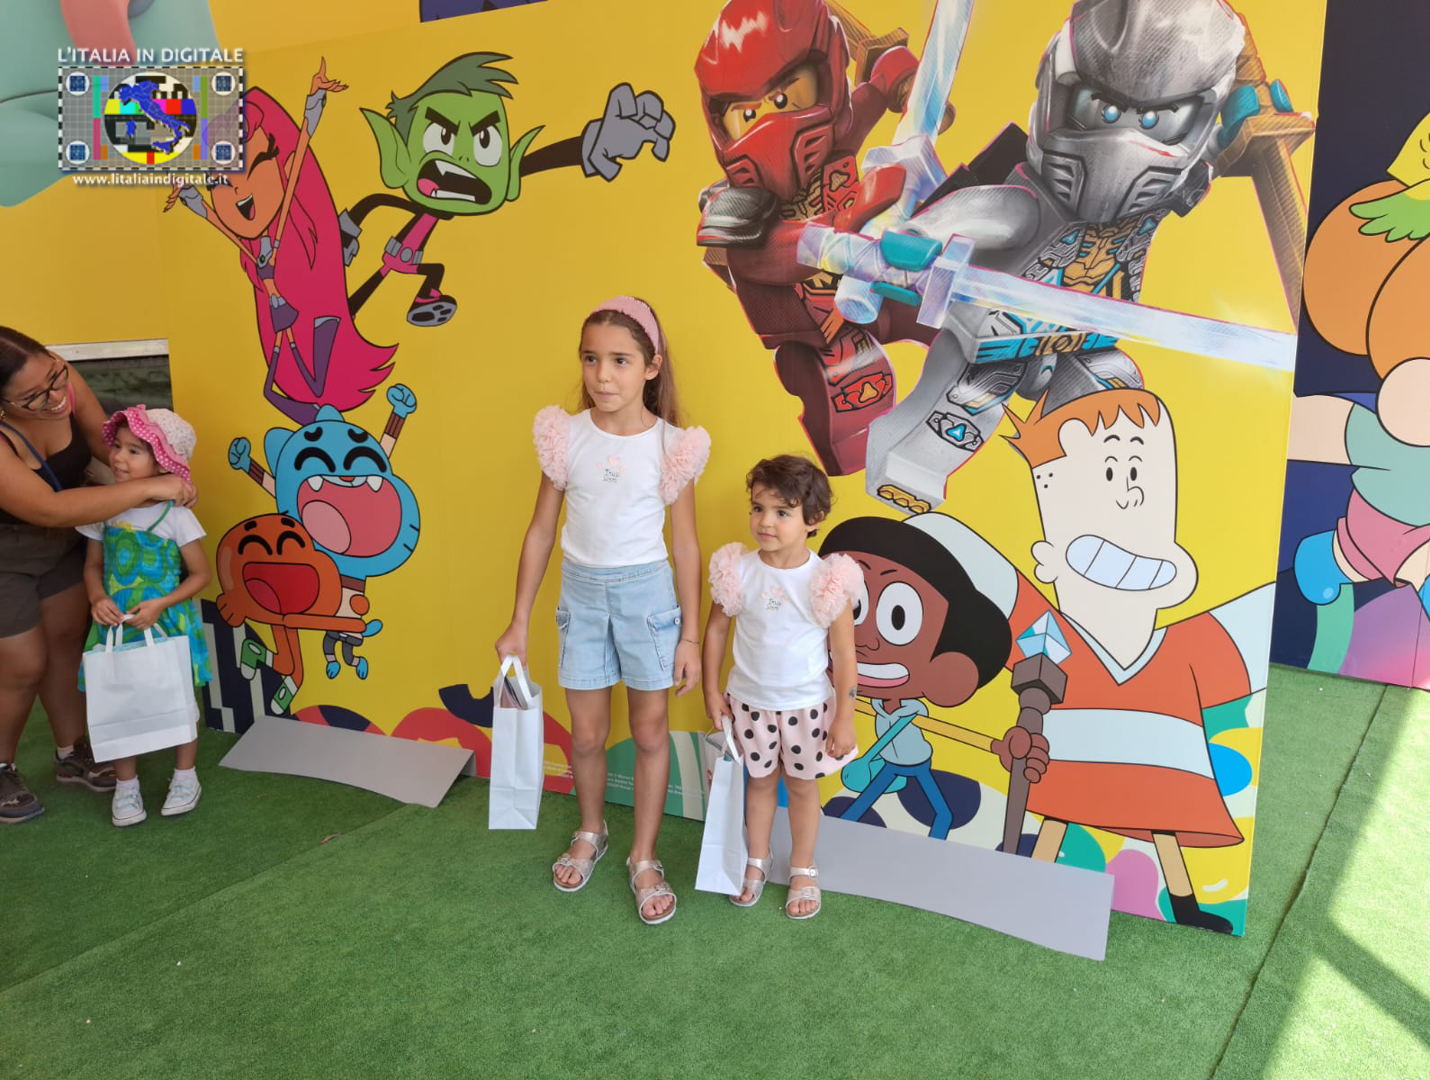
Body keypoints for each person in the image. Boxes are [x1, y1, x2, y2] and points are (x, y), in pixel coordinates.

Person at [495, 297, 709, 925]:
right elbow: (541, 531)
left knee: (649, 732)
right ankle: (592, 829)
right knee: (586, 734)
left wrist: (690, 636)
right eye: (591, 359)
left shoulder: (673, 446)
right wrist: (518, 619)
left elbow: (686, 545)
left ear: (652, 366)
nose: (602, 375)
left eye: (620, 361)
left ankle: (644, 855)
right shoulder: (565, 437)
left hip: (649, 601)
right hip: (582, 598)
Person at [0, 327, 196, 824]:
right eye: (33, 397)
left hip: (71, 535)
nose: (55, 397)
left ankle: (73, 751)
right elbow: (46, 508)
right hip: (8, 549)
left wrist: (150, 488)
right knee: (23, 663)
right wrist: (151, 490)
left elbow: (106, 448)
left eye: (55, 377)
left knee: (68, 640)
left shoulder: (62, 378)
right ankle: (2, 766)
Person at [702, 455, 861, 919]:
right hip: (749, 705)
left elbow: (845, 655)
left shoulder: (826, 581)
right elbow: (716, 632)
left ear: (813, 519)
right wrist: (711, 691)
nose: (765, 522)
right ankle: (757, 859)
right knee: (759, 784)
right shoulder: (736, 570)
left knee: (803, 787)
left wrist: (845, 716)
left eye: (782, 512)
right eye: (758, 508)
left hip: (807, 708)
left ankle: (803, 867)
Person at [79, 406, 213, 827]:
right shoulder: (103, 509)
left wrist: (161, 604)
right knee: (119, 700)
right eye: (118, 447)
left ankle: (185, 777)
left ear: (162, 464)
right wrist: (97, 597)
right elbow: (92, 567)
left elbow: (201, 575)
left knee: (179, 697)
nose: (119, 457)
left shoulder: (177, 515)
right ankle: (126, 785)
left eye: (134, 451)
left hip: (167, 622)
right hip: (117, 625)